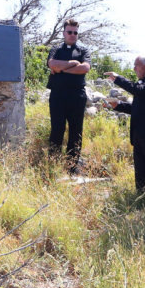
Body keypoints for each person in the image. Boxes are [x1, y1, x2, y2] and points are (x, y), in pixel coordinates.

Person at [105, 56, 145, 198]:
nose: (134, 69)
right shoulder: (143, 83)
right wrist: (119, 105)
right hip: (140, 134)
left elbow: (138, 90)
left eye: (136, 65)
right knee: (141, 171)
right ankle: (143, 200)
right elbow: (138, 107)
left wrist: (118, 78)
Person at [47, 18, 91, 173]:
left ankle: (71, 167)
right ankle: (52, 165)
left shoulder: (83, 51)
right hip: (58, 95)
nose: (73, 35)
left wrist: (62, 68)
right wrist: (73, 63)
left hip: (77, 96)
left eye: (75, 33)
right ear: (64, 33)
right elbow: (52, 64)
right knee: (57, 129)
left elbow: (84, 68)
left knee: (76, 131)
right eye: (70, 32)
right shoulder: (56, 49)